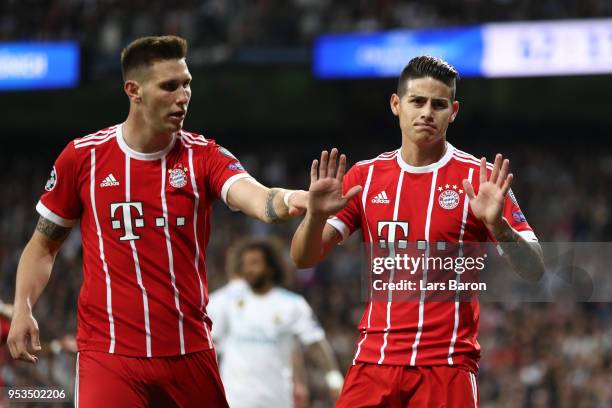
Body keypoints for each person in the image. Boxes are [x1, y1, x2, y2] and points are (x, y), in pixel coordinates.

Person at [7, 35, 315, 408]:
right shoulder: (82, 158)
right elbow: (43, 246)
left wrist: (292, 199)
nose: (182, 96)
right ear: (133, 90)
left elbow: (258, 198)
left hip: (189, 352)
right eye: (169, 86)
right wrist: (23, 307)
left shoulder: (204, 155)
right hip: (110, 355)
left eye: (186, 84)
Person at [291, 56, 545, 407]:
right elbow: (303, 258)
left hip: (447, 366)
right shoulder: (364, 177)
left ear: (453, 111)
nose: (427, 112)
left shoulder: (480, 180)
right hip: (374, 362)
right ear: (396, 104)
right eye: (417, 101)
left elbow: (534, 269)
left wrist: (499, 226)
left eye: (439, 104)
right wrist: (315, 217)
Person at [208, 238, 343, 408]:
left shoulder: (292, 304)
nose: (248, 269)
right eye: (245, 264)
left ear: (271, 267)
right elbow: (210, 342)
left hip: (277, 399)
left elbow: (315, 343)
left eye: (255, 263)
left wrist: (334, 379)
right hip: (234, 399)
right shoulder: (226, 301)